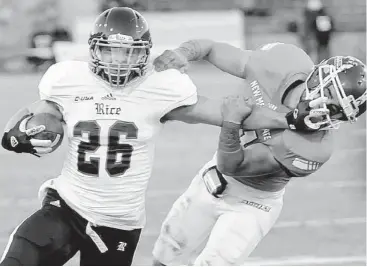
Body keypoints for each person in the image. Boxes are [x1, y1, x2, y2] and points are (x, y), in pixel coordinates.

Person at [0, 8, 308, 266]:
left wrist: (289, 118)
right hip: (67, 206)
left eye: (127, 53)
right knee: (18, 257)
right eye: (110, 51)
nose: (118, 62)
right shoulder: (67, 79)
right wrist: (15, 137)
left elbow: (222, 112)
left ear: (144, 54)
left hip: (118, 223)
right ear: (94, 49)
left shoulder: (160, 87)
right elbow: (33, 113)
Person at [151, 40, 367, 265]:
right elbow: (211, 49)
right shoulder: (285, 62)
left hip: (253, 203)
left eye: (338, 111)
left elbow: (233, 165)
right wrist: (182, 53)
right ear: (319, 75)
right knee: (166, 256)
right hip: (211, 178)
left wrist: (232, 121)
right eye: (330, 94)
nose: (328, 109)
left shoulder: (315, 148)